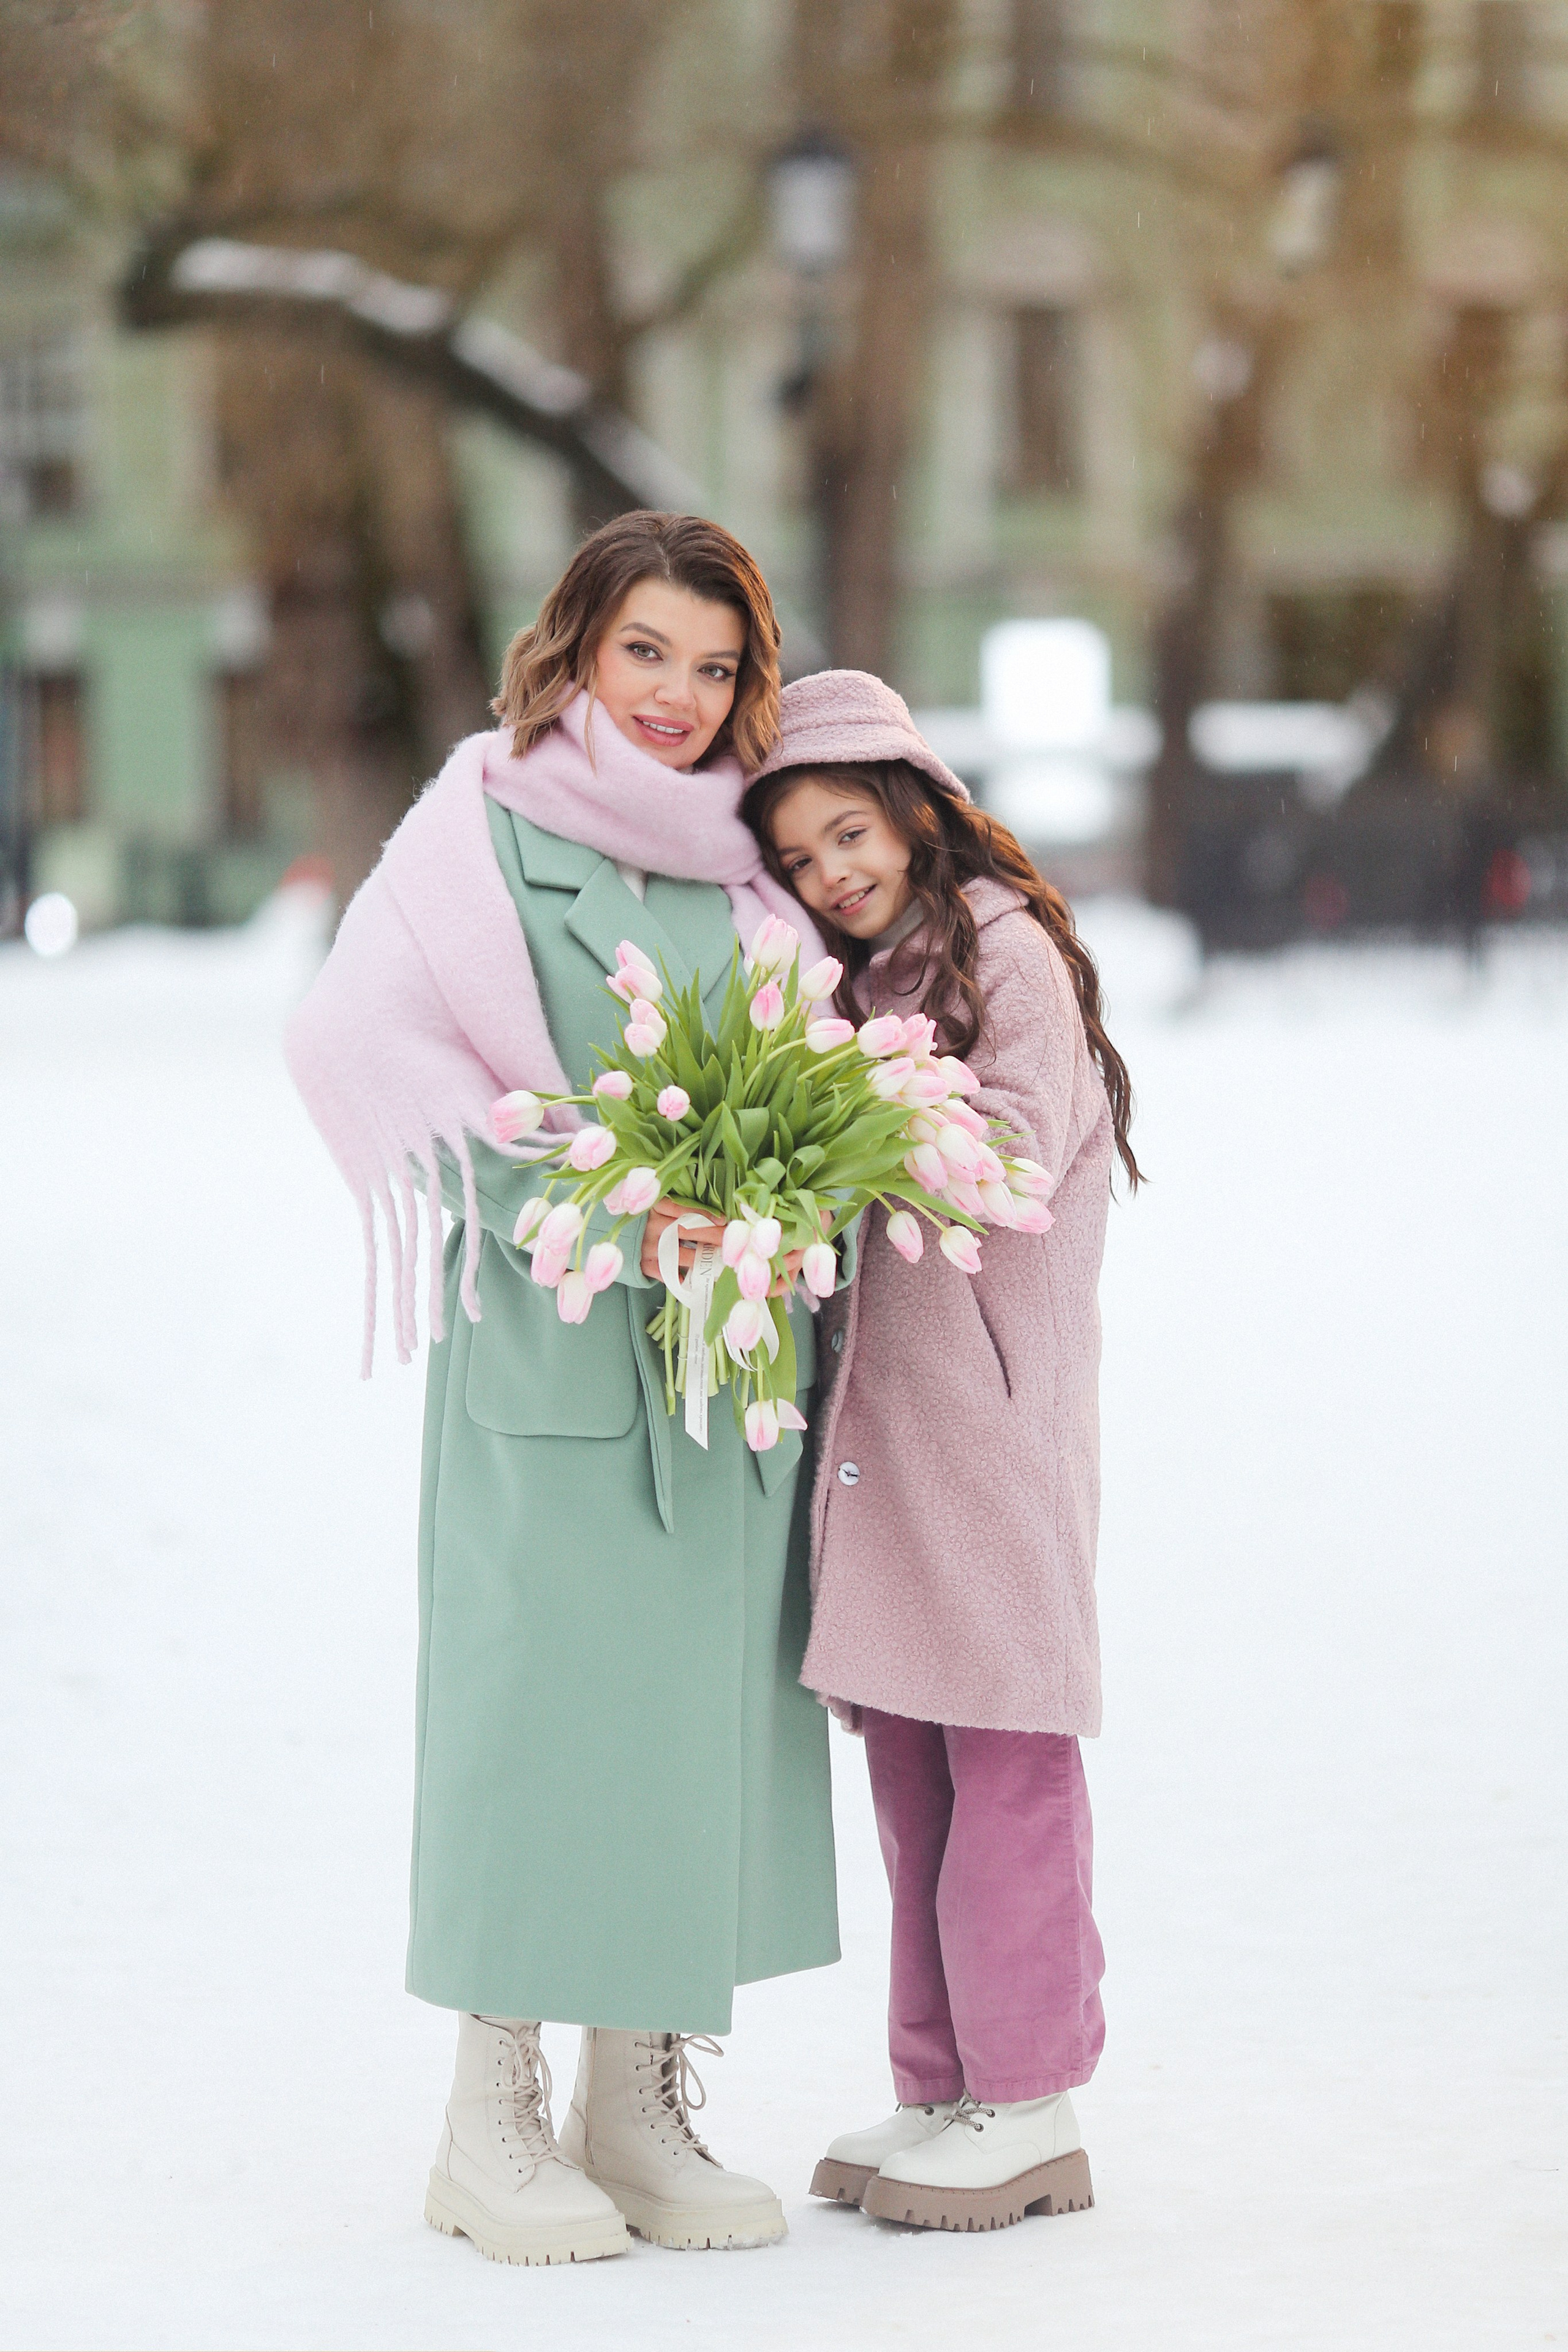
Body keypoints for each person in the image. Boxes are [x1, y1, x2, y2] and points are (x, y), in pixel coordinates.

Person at [287, 513, 842, 2267]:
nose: (680, 697)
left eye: (717, 664)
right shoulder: (487, 831)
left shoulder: (748, 863)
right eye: (646, 654)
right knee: (544, 1716)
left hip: (728, 1365)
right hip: (555, 1346)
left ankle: (639, 2090)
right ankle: (493, 2108)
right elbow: (359, 1039)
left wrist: (790, 1197)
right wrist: (593, 1207)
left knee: (693, 1720)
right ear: (576, 651)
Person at [741, 668, 1140, 2236]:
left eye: (848, 832)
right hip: (886, 1442)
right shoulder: (858, 979)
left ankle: (1027, 2094)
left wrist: (847, 1106)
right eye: (797, 860)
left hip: (986, 1431)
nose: (831, 872)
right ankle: (940, 2084)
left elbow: (1016, 1161)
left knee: (1005, 1754)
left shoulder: (1000, 953)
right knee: (911, 1769)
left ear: (910, 806)